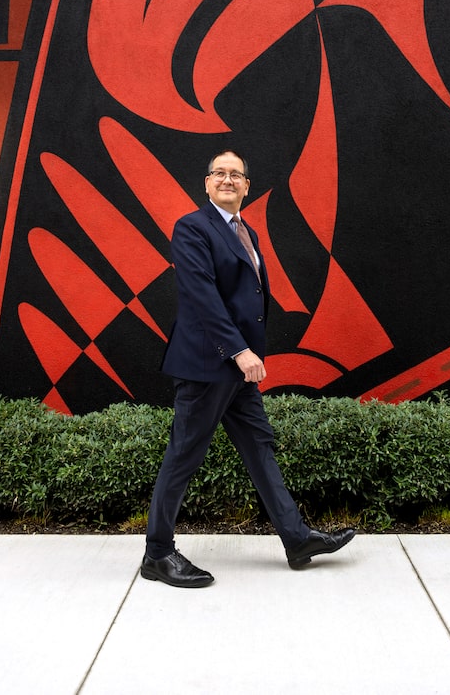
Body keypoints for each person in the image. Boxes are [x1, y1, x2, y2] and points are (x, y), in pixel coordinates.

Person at [141, 149, 355, 587]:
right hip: (208, 364)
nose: (227, 179)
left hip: (236, 370)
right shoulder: (192, 228)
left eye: (235, 174)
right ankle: (158, 554)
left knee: (259, 446)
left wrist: (243, 356)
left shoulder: (246, 232)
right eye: (218, 172)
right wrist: (239, 350)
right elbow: (202, 295)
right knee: (184, 456)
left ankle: (296, 540)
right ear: (206, 183)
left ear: (246, 186)